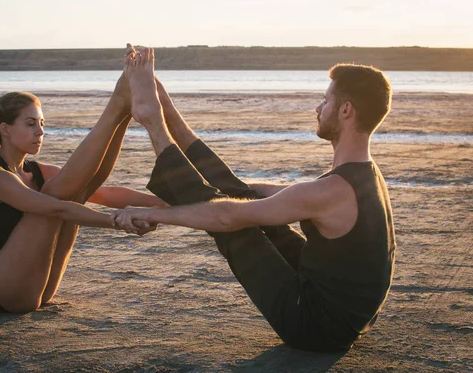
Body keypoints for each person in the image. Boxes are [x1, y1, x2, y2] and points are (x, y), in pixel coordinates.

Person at [114, 46, 396, 351]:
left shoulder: (332, 191)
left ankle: (153, 121)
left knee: (235, 225)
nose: (318, 108)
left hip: (315, 325)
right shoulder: (365, 174)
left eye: (325, 101)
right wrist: (221, 190)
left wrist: (153, 213)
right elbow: (269, 196)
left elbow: (226, 218)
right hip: (342, 314)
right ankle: (163, 110)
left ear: (345, 110)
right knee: (241, 197)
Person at [0, 49, 163, 313]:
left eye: (42, 123)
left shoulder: (36, 171)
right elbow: (56, 209)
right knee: (55, 196)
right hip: (3, 292)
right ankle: (118, 104)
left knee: (78, 190)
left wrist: (169, 205)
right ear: (5, 130)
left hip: (39, 287)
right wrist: (117, 222)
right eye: (31, 124)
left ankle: (123, 111)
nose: (41, 131)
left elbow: (106, 193)